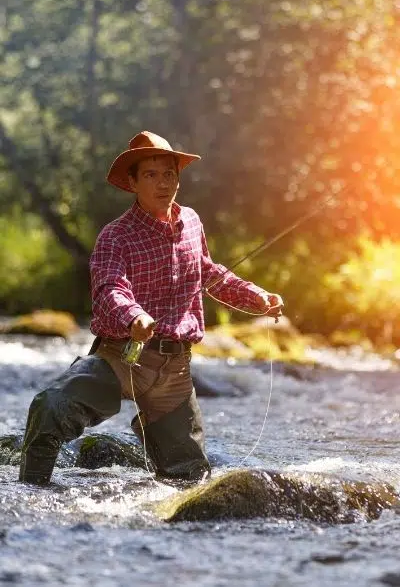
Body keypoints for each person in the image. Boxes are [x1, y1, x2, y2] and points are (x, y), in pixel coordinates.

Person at [19, 131, 284, 485]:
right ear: (132, 182)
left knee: (189, 478)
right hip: (122, 359)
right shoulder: (115, 236)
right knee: (51, 408)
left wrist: (258, 298)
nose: (163, 184)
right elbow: (109, 288)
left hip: (174, 371)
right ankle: (32, 491)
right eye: (151, 175)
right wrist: (134, 317)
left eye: (170, 174)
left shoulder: (191, 221)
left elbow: (208, 272)